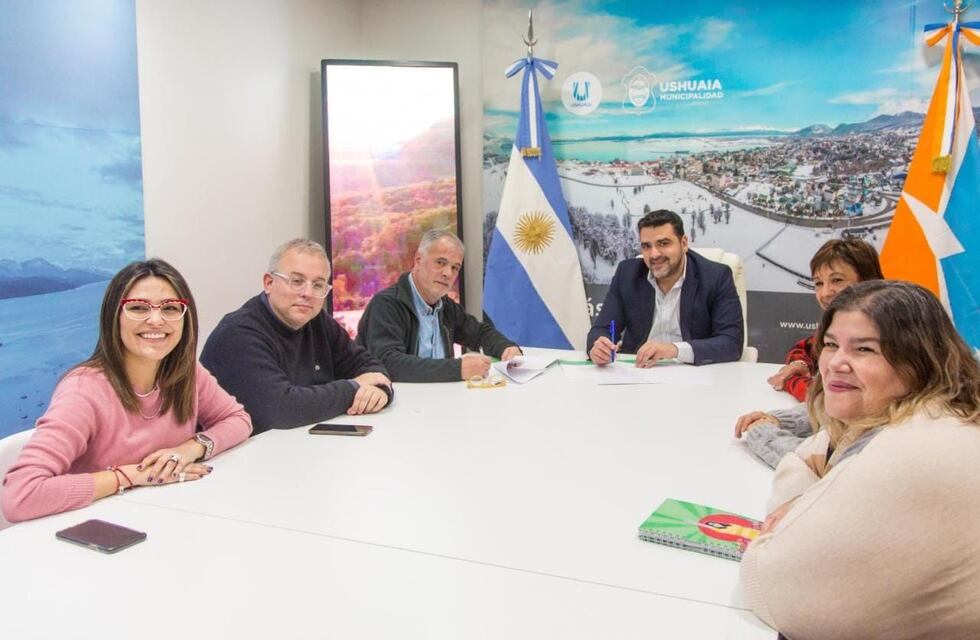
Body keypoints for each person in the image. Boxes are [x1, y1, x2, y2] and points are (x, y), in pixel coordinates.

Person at [741, 281, 980, 638]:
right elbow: (809, 451)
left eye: (865, 349)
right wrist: (802, 484)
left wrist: (789, 510)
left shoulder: (912, 446)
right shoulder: (921, 412)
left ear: (919, 358)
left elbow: (773, 589)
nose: (836, 363)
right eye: (831, 345)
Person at [1, 259, 252, 523]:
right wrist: (130, 476)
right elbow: (20, 496)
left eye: (170, 308)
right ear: (114, 317)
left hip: (168, 518)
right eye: (138, 307)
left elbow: (238, 420)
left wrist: (189, 449)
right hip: (98, 532)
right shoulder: (83, 390)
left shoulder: (184, 372)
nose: (156, 320)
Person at [201, 239, 392, 434]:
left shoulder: (316, 320)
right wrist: (355, 388)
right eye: (297, 281)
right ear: (268, 282)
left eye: (318, 285)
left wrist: (380, 390)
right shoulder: (238, 334)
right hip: (241, 456)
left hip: (299, 445)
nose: (308, 293)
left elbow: (367, 365)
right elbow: (281, 409)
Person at [735, 239, 883, 468]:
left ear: (869, 282)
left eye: (837, 281)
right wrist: (781, 418)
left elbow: (829, 463)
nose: (825, 293)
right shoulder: (844, 325)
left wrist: (762, 433)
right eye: (818, 283)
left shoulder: (886, 341)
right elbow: (807, 352)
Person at [356, 229, 521, 382]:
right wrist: (458, 369)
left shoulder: (444, 305)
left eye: (455, 268)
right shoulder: (386, 305)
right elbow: (388, 363)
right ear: (418, 260)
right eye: (441, 262)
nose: (448, 273)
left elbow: (479, 333)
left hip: (440, 401)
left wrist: (506, 348)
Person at [586, 209, 743, 366]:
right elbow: (604, 329)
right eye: (646, 246)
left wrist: (674, 349)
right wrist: (598, 346)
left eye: (663, 244)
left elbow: (731, 342)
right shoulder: (627, 274)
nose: (654, 254)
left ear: (684, 243)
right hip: (638, 373)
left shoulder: (715, 277)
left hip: (692, 374)